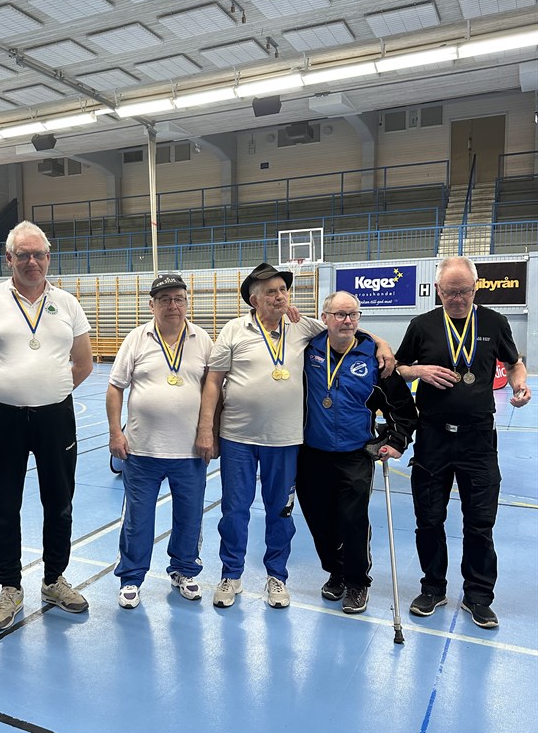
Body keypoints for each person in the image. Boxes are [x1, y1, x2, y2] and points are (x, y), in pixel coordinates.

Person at [196, 262, 394, 610]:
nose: (280, 297)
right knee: (234, 510)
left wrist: (382, 343)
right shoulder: (233, 330)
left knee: (280, 512)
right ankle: (231, 574)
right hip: (238, 438)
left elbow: (344, 327)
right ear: (254, 299)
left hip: (285, 441)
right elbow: (213, 381)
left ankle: (277, 576)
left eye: (283, 290)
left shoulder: (302, 326)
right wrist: (205, 429)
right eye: (271, 292)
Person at [0, 221, 93, 631]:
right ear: (9, 258)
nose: (32, 262)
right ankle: (10, 586)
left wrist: (52, 391)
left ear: (49, 257)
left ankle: (54, 579)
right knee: (4, 503)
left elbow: (83, 363)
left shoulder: (67, 303)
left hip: (55, 418)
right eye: (24, 255)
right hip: (3, 420)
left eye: (39, 254)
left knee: (59, 501)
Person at [395, 256, 531, 629]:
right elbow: (398, 368)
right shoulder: (422, 325)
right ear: (438, 290)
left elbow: (515, 363)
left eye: (465, 292)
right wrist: (418, 370)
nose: (458, 299)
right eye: (450, 292)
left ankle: (478, 596)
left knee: (480, 522)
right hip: (433, 438)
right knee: (428, 519)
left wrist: (520, 384)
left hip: (478, 439)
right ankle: (433, 587)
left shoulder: (494, 322)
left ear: (476, 288)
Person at [297, 291, 417, 615]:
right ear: (325, 318)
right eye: (340, 314)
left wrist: (397, 440)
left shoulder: (375, 359)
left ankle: (356, 581)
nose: (347, 320)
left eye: (353, 314)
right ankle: (336, 572)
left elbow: (403, 409)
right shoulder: (306, 351)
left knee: (352, 521)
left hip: (355, 454)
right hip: (311, 454)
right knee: (319, 522)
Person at [106, 273, 214, 609]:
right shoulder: (136, 338)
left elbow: (213, 390)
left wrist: (209, 431)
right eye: (164, 300)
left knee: (189, 518)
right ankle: (131, 577)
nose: (172, 305)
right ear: (151, 305)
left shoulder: (202, 339)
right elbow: (115, 387)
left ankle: (184, 570)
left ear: (187, 303)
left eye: (178, 299)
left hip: (190, 451)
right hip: (141, 451)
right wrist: (115, 432)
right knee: (137, 520)